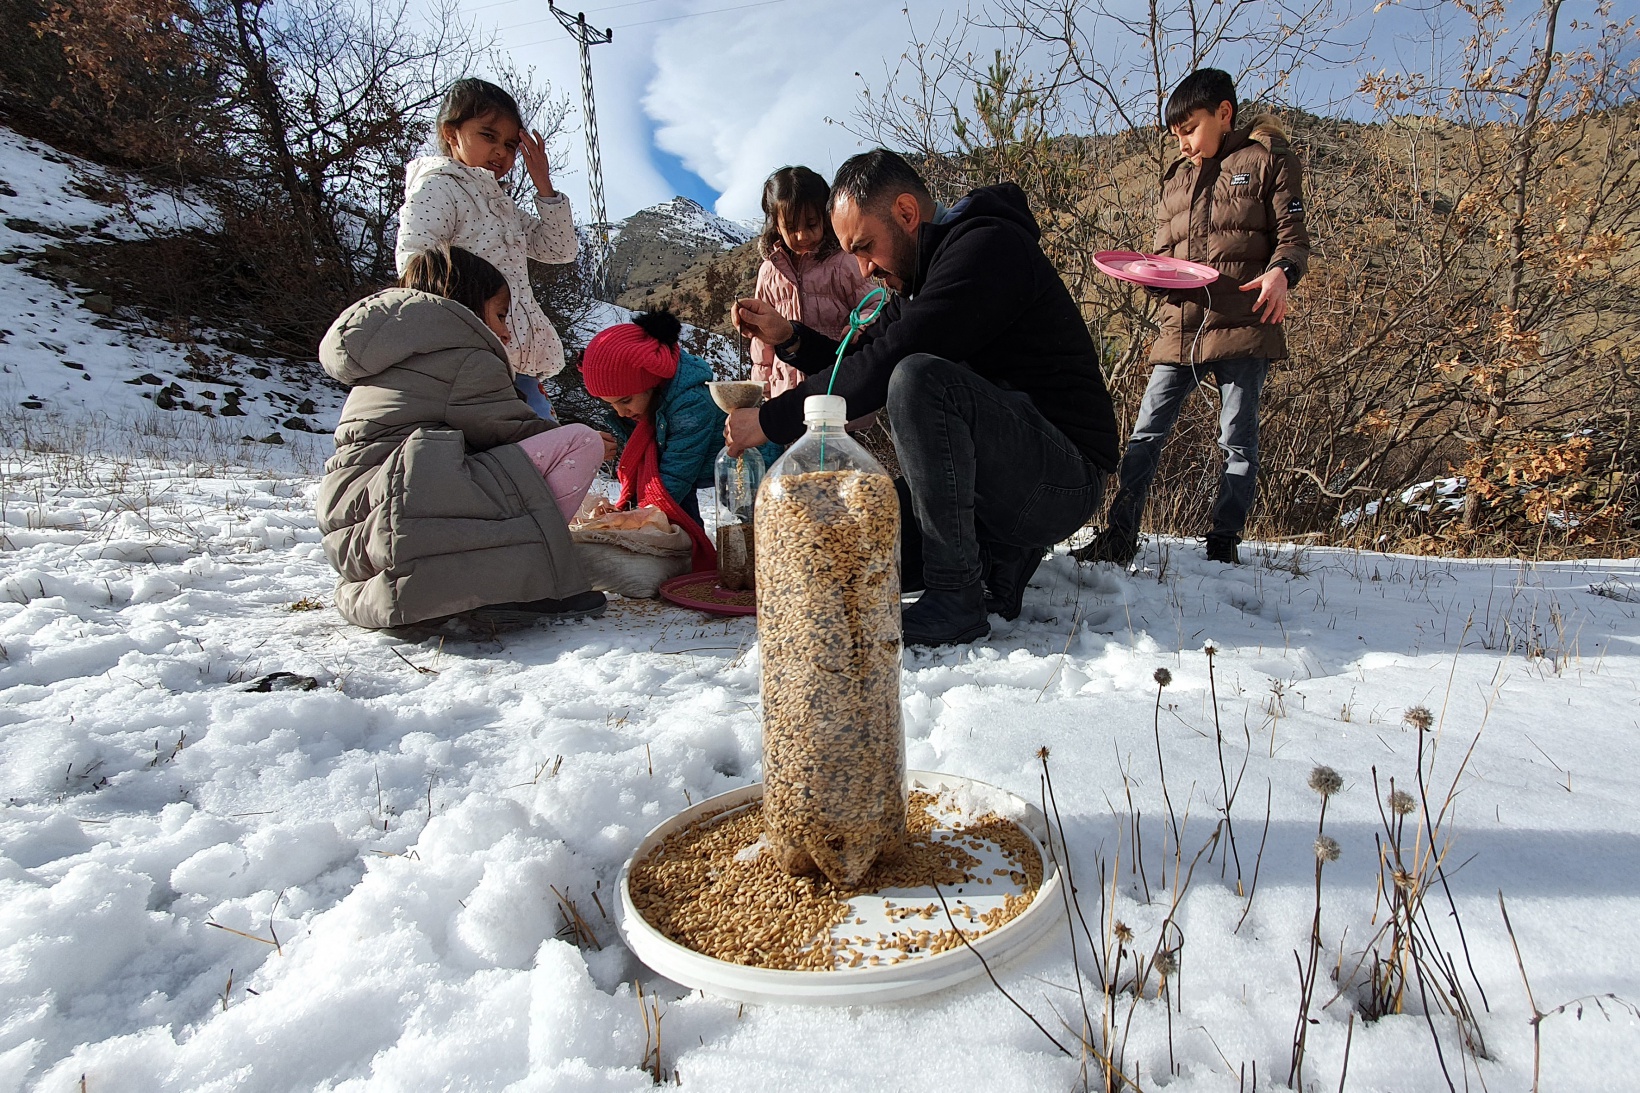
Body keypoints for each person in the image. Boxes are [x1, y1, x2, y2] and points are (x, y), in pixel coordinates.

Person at [726, 149, 1122, 646]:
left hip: (1061, 483)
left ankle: (956, 597)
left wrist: (769, 420)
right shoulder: (917, 282)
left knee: (916, 378)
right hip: (994, 486)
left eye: (865, 247)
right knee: (846, 552)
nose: (864, 269)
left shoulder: (987, 249)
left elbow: (889, 364)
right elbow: (860, 357)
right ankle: (996, 557)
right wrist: (789, 338)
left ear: (907, 213)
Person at [1082, 67, 1310, 567]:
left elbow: (1293, 239)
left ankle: (1223, 544)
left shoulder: (1268, 159)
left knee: (1237, 441)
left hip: (1245, 323)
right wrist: (1146, 274)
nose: (1183, 143)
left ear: (1224, 114)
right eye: (1176, 135)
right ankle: (1120, 536)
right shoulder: (1176, 179)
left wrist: (1282, 273)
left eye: (1189, 129)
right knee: (1145, 433)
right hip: (1181, 327)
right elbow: (1164, 256)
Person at [317, 244, 607, 629]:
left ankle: (457, 579)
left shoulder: (394, 353)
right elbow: (509, 429)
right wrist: (589, 439)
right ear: (469, 303)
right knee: (580, 443)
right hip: (400, 508)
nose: (505, 332)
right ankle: (521, 577)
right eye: (500, 315)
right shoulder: (465, 353)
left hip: (358, 528)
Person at [396, 77, 578, 421]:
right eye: (488, 136)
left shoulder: (501, 205)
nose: (501, 152)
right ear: (452, 134)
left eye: (510, 145)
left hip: (517, 360)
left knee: (544, 444)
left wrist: (543, 183)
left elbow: (560, 249)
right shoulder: (438, 188)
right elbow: (416, 268)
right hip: (468, 358)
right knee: (513, 446)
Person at [582, 310, 780, 572]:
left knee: (756, 527)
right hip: (703, 472)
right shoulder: (649, 408)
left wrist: (634, 517)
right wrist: (630, 512)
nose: (620, 412)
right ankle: (691, 566)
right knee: (684, 519)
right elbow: (659, 480)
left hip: (752, 466)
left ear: (652, 383)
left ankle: (762, 572)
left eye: (625, 401)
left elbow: (674, 478)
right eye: (611, 405)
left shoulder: (690, 404)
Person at [748, 166, 873, 399]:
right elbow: (761, 337)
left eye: (811, 224)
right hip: (787, 393)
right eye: (791, 228)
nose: (802, 235)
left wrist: (859, 327)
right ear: (777, 227)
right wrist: (761, 386)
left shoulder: (842, 262)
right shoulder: (769, 273)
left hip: (837, 388)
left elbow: (873, 303)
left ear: (825, 217)